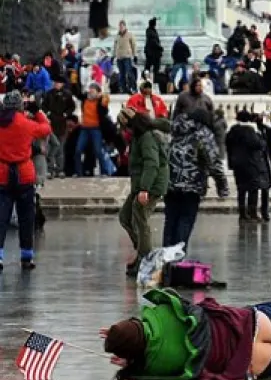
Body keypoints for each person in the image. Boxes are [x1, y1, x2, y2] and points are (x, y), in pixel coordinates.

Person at [102, 220, 271, 380]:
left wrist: (132, 364)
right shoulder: (160, 313)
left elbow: (170, 378)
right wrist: (126, 330)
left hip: (251, 364)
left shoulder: (152, 368)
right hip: (251, 326)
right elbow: (177, 301)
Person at [163, 109, 229, 249]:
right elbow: (214, 162)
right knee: (185, 221)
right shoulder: (202, 133)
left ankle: (166, 259)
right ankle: (177, 257)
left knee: (170, 221)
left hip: (170, 184)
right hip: (191, 184)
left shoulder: (173, 130)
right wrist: (222, 186)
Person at [0, 92, 51, 271]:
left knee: (1, 218)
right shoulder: (26, 124)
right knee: (26, 218)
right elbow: (46, 128)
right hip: (24, 174)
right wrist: (37, 111)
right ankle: (26, 257)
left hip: (3, 174)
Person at [119, 108, 170, 277]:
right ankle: (141, 249)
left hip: (151, 184)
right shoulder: (138, 137)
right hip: (141, 184)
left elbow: (151, 164)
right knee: (125, 217)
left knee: (140, 217)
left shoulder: (146, 138)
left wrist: (145, 189)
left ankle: (146, 258)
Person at [225, 111, 271, 223]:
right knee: (253, 188)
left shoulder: (232, 131)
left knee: (241, 189)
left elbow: (228, 147)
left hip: (237, 164)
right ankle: (252, 213)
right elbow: (259, 144)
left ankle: (242, 214)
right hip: (250, 163)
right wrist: (261, 138)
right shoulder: (249, 131)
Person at [75, 83, 116, 177]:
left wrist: (103, 98)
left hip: (96, 128)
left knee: (98, 150)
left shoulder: (100, 101)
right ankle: (78, 172)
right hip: (84, 128)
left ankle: (104, 172)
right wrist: (74, 81)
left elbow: (104, 111)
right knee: (78, 150)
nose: (91, 92)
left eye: (93, 90)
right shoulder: (85, 98)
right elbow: (76, 92)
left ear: (98, 92)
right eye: (90, 90)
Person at [114, 21, 138, 95]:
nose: (121, 28)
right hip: (119, 57)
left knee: (129, 73)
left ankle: (134, 88)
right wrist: (113, 55)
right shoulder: (117, 35)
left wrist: (135, 55)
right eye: (119, 26)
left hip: (127, 57)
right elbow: (115, 46)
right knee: (121, 74)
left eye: (122, 26)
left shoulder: (129, 34)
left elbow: (133, 45)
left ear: (125, 26)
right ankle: (123, 88)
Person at [144, 19, 163, 83]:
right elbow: (153, 42)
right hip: (153, 54)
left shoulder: (150, 31)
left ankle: (147, 82)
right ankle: (150, 82)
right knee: (153, 70)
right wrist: (160, 47)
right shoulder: (151, 31)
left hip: (151, 53)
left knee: (148, 69)